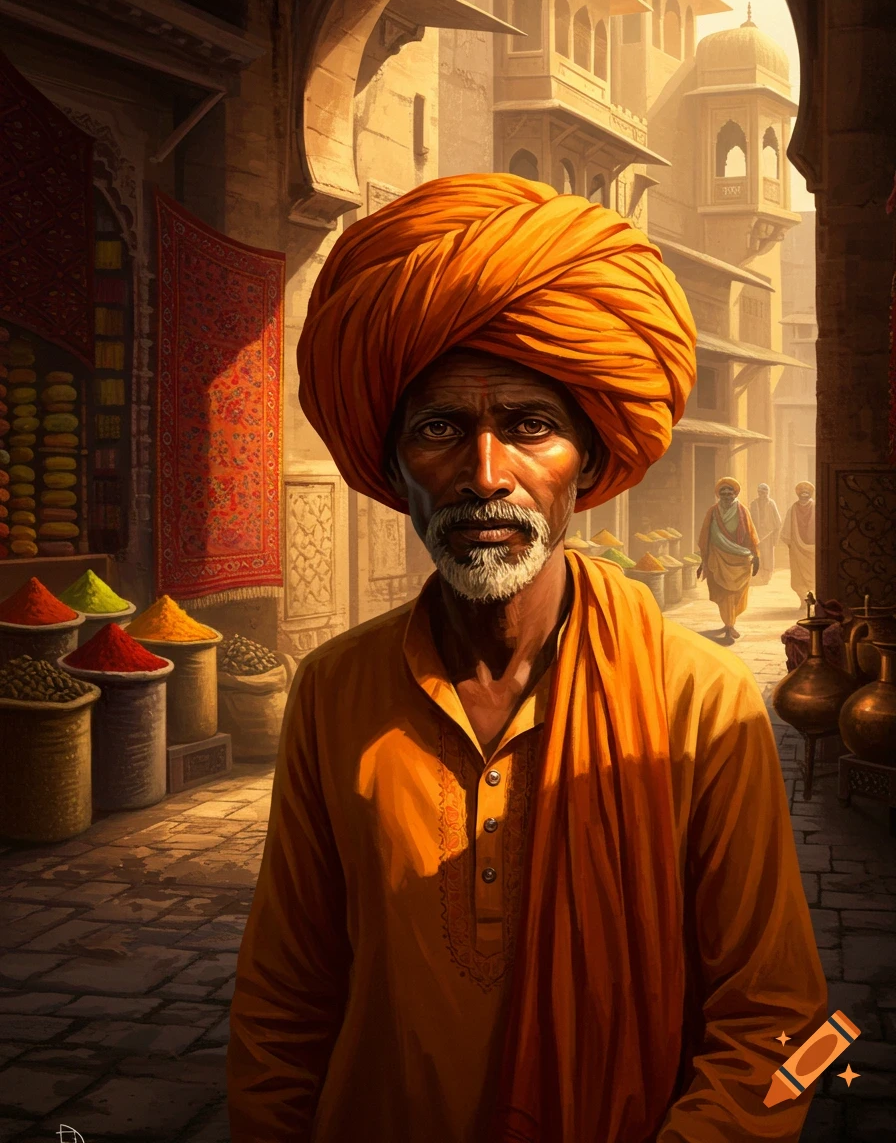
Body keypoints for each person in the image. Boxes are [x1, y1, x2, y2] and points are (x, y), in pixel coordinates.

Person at [227, 175, 825, 1143]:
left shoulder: (700, 703)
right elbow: (283, 1002)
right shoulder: (335, 690)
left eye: (529, 425)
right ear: (390, 466)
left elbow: (789, 1029)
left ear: (588, 461)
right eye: (437, 429)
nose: (484, 473)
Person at [697, 477, 761, 644]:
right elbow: (705, 536)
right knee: (724, 593)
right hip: (717, 558)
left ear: (735, 494)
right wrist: (702, 560)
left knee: (736, 593)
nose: (726, 496)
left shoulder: (743, 511)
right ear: (719, 495)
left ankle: (730, 623)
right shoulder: (712, 511)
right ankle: (729, 624)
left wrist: (756, 556)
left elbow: (751, 534)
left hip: (740, 559)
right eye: (722, 493)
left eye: (729, 493)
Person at [782, 480, 817, 609]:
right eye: (801, 493)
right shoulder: (793, 508)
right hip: (797, 548)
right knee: (798, 577)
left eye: (806, 493)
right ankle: (803, 601)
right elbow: (786, 529)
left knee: (814, 574)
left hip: (814, 550)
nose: (804, 495)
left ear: (810, 494)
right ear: (798, 494)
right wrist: (790, 543)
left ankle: (814, 602)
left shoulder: (816, 507)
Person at [749, 482, 782, 585]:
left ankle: (766, 577)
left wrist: (773, 533)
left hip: (768, 536)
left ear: (767, 493)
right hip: (756, 535)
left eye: (764, 492)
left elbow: (778, 521)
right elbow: (750, 519)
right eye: (760, 492)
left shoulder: (771, 503)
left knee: (767, 556)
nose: (762, 495)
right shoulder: (754, 504)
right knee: (757, 555)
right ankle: (758, 576)